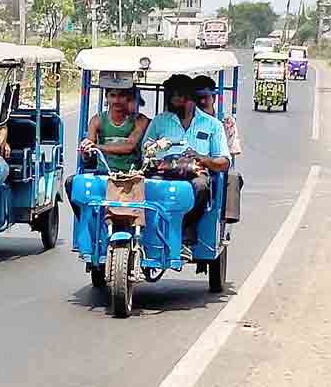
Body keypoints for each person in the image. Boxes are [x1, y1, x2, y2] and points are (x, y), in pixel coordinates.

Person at [142, 74, 231, 260]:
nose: (173, 100)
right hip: (164, 172)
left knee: (201, 186)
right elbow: (145, 149)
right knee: (148, 187)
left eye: (177, 95)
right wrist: (156, 148)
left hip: (195, 173)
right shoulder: (160, 121)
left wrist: (202, 159)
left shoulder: (212, 125)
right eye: (171, 95)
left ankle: (187, 230)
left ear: (189, 98)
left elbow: (224, 162)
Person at [66, 71, 150, 216]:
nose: (117, 100)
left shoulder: (139, 120)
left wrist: (97, 147)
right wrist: (86, 149)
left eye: (121, 96)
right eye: (112, 95)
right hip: (104, 173)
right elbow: (89, 146)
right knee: (71, 183)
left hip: (132, 175)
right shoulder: (97, 120)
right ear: (107, 98)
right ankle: (86, 222)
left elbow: (129, 146)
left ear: (128, 98)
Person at [192, 75, 244, 224]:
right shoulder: (186, 119)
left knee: (232, 176)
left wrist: (212, 159)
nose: (202, 101)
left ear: (213, 98)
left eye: (205, 97)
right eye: (198, 98)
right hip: (192, 162)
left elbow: (230, 151)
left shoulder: (225, 122)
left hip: (215, 162)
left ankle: (222, 219)